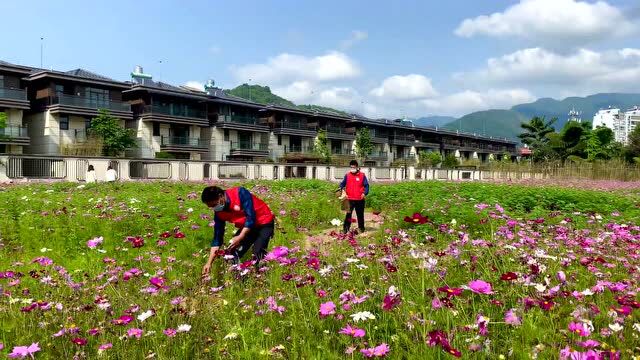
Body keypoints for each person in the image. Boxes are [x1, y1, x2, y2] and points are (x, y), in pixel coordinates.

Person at [200, 185, 275, 278]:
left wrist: (240, 237)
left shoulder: (240, 193)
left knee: (258, 253)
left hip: (264, 222)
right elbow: (217, 238)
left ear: (220, 196)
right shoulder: (219, 213)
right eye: (211, 207)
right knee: (231, 254)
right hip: (247, 228)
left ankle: (262, 278)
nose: (214, 208)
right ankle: (239, 280)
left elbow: (250, 217)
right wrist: (209, 263)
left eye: (214, 205)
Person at [339, 160, 369, 234]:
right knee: (348, 214)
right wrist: (341, 189)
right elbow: (342, 184)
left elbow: (366, 185)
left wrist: (364, 193)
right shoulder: (347, 175)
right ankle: (345, 229)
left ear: (357, 167)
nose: (352, 168)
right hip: (350, 199)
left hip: (360, 199)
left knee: (360, 214)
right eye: (351, 167)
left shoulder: (362, 175)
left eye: (354, 167)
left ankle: (361, 228)